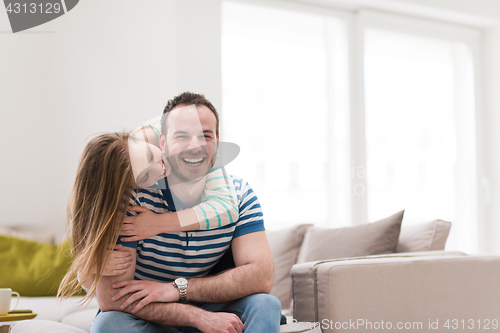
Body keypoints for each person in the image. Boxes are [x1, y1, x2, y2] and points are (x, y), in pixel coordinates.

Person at [88, 92, 281, 332]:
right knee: (108, 324)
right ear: (163, 143)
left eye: (206, 136)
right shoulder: (134, 194)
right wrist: (195, 316)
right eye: (182, 136)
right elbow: (111, 297)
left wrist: (178, 289)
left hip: (212, 309)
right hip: (151, 315)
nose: (195, 146)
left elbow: (260, 276)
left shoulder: (239, 195)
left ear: (217, 143)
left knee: (265, 304)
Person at [57, 130, 239, 301]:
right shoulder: (130, 203)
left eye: (150, 156)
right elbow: (104, 294)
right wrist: (88, 269)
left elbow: (227, 209)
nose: (160, 170)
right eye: (145, 178)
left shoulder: (169, 135)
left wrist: (157, 223)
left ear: (138, 137)